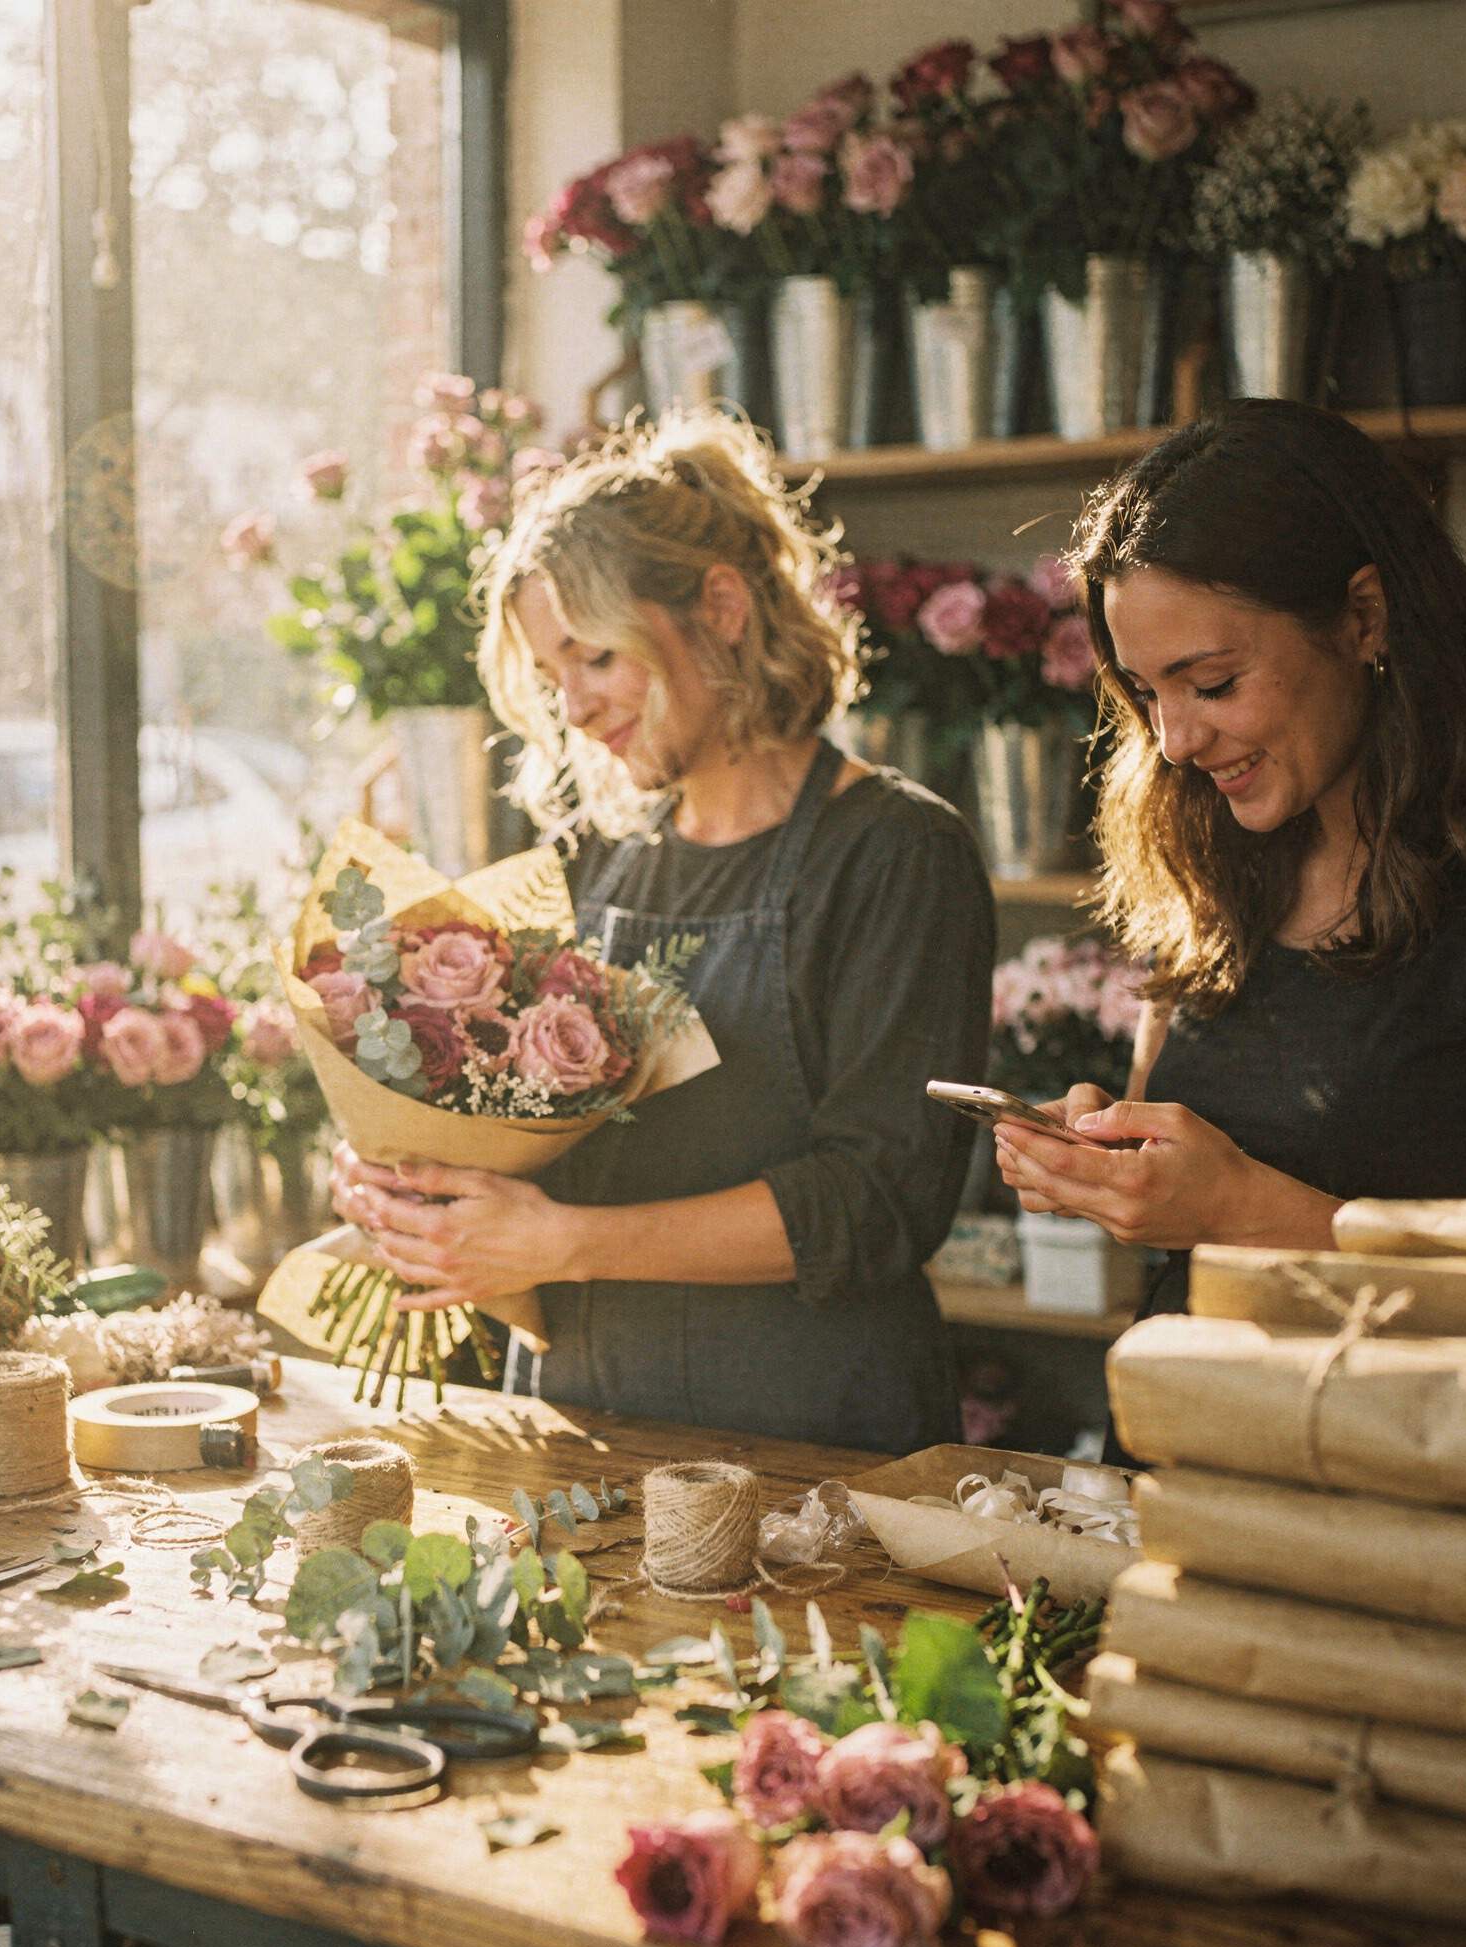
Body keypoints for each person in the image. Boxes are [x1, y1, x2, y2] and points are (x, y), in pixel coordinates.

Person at [346, 407, 995, 1452]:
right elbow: (512, 1120)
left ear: (721, 607)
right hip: (577, 1412)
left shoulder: (893, 853)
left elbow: (877, 1199)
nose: (577, 708)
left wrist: (559, 1241)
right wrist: (413, 1173)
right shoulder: (593, 854)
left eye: (595, 657)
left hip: (807, 1436)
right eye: (553, 680)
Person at [994, 400, 1466, 1308]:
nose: (1174, 740)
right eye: (1145, 692)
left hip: (1429, 1445)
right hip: (1188, 1432)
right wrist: (1119, 1161)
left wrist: (1238, 1209)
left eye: (1213, 683)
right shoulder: (1222, 846)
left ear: (1366, 618)